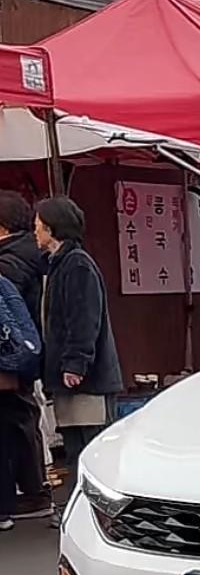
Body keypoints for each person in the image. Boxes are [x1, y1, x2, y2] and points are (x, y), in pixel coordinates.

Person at [35, 197, 123, 485]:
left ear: (52, 228)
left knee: (92, 449)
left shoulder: (77, 264)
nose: (35, 231)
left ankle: (97, 504)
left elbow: (84, 317)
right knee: (76, 450)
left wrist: (75, 363)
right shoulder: (57, 264)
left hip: (88, 380)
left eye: (38, 225)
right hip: (70, 378)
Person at [0, 190, 51, 519]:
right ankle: (32, 491)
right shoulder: (29, 252)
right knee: (23, 419)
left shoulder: (9, 261)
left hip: (12, 356)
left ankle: (32, 493)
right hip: (28, 351)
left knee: (16, 422)